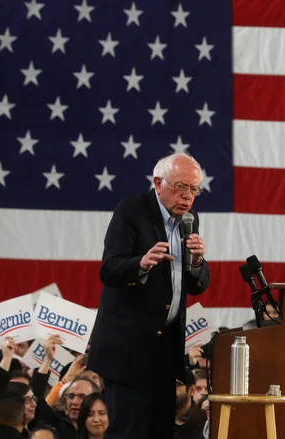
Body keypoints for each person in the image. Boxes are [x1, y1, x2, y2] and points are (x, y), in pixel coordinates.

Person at [88, 152, 210, 439]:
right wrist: (140, 264)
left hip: (164, 351)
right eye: (181, 187)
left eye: (194, 189)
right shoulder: (131, 211)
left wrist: (196, 262)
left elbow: (197, 285)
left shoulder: (190, 220)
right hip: (128, 352)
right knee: (129, 433)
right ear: (158, 182)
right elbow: (109, 269)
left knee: (159, 432)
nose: (188, 196)